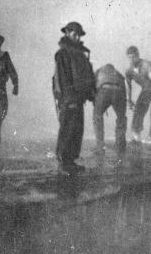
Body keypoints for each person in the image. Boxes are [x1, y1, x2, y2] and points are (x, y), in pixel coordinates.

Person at [52, 22, 95, 174]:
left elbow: (88, 77)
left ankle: (70, 162)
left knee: (77, 130)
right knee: (67, 130)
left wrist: (92, 95)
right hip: (69, 99)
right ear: (67, 34)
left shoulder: (81, 55)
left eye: (78, 34)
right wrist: (68, 99)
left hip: (79, 99)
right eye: (73, 33)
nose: (76, 37)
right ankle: (63, 164)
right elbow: (62, 78)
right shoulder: (63, 53)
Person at [125, 46, 151, 145]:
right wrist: (129, 100)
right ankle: (136, 136)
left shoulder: (146, 65)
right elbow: (128, 86)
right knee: (138, 109)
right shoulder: (129, 71)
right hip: (146, 90)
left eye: (134, 57)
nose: (132, 59)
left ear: (138, 56)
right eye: (129, 57)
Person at [93, 64, 127, 155]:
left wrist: (95, 101)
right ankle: (120, 146)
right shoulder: (118, 74)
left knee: (97, 117)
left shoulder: (99, 71)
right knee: (121, 118)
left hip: (104, 90)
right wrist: (123, 111)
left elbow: (93, 86)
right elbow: (124, 90)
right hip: (119, 91)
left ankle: (100, 147)